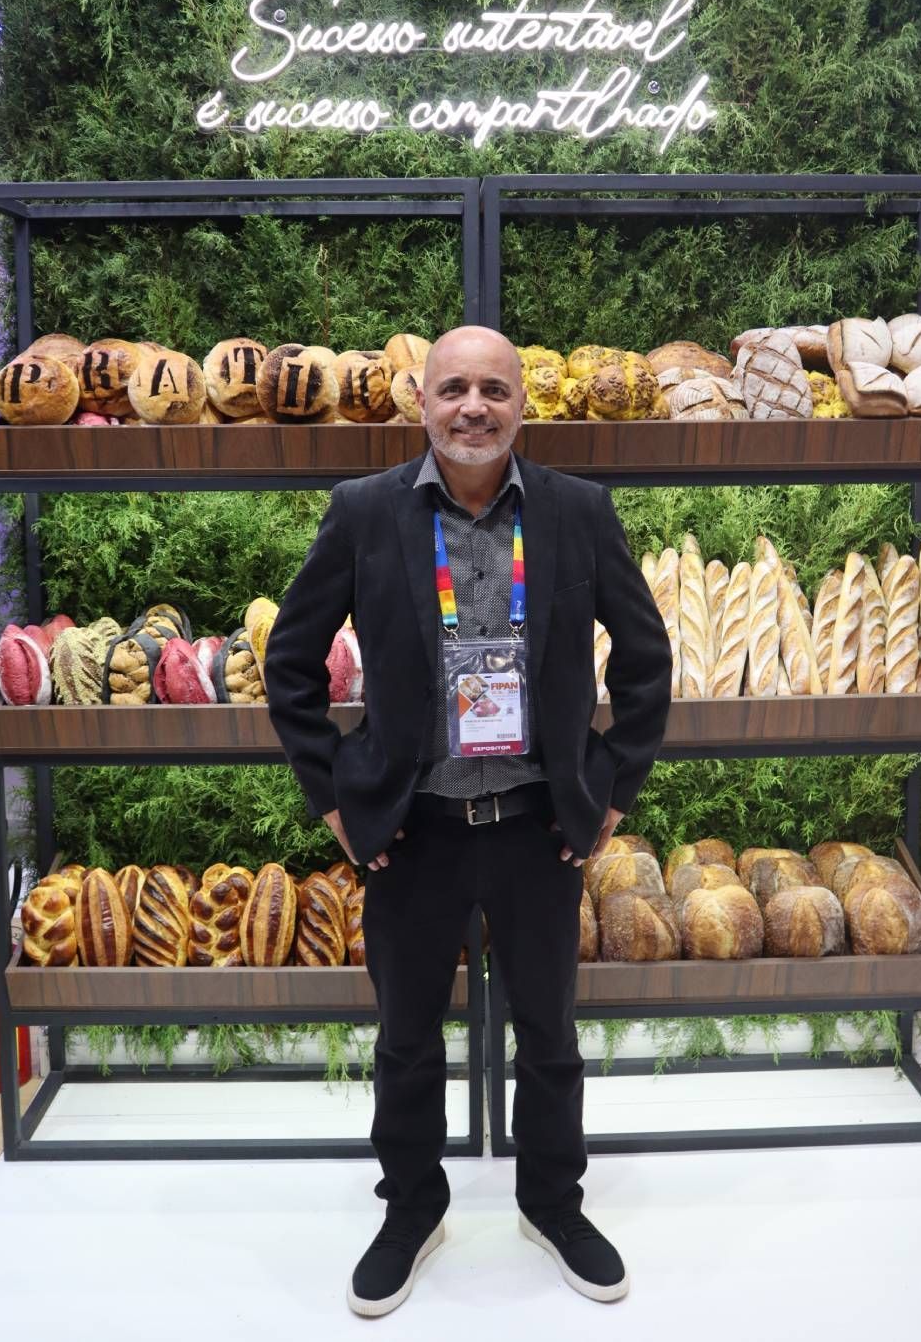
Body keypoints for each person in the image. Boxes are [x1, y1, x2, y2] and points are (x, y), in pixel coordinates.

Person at [266, 326, 672, 1317]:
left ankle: (553, 1204)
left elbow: (647, 660)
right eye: (455, 389)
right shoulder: (364, 513)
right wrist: (337, 804)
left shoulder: (578, 513)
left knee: (551, 1037)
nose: (474, 407)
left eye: (495, 388)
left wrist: (609, 793)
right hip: (415, 832)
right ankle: (412, 1208)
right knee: (406, 1039)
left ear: (522, 403)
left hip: (541, 827)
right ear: (423, 402)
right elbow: (291, 667)